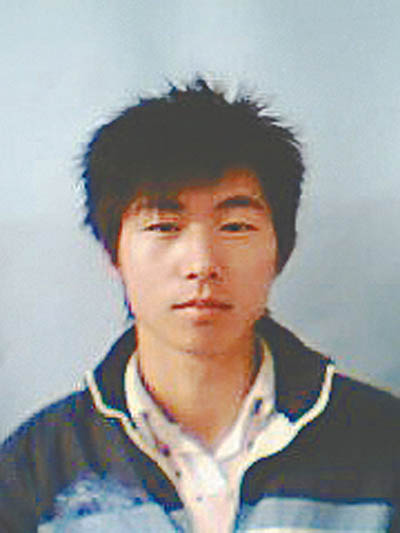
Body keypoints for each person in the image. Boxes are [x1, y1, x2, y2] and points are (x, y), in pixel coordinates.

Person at [1, 79, 399, 532]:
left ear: (280, 250)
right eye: (164, 226)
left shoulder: (384, 445)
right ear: (113, 254)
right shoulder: (37, 468)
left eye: (236, 226)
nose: (202, 264)